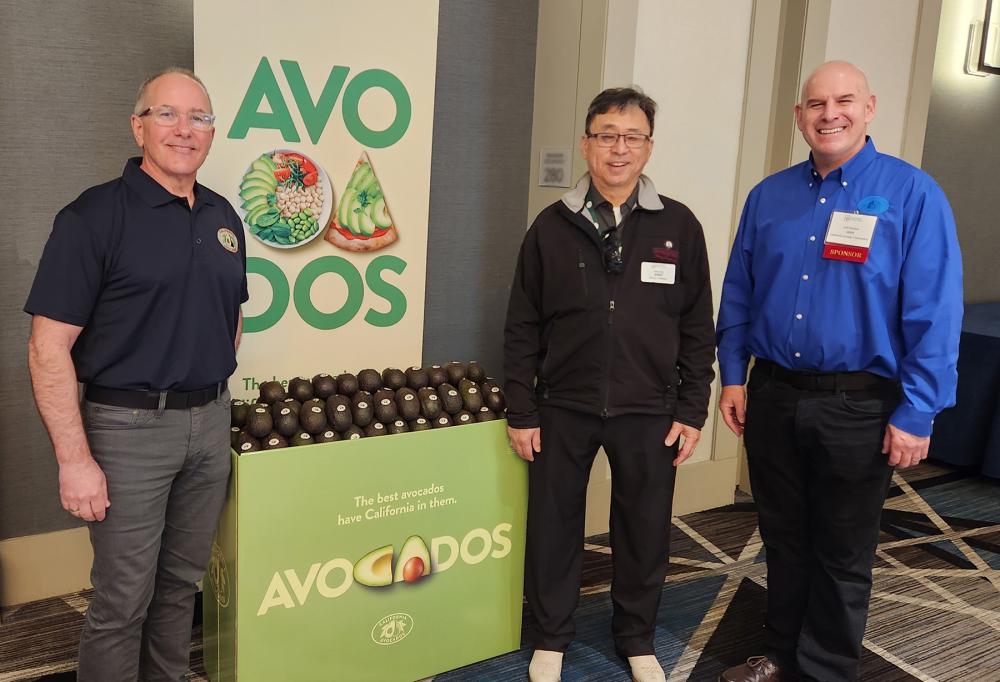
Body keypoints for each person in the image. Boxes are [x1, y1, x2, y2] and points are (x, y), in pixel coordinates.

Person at [716, 61, 962, 682]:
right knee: (782, 538)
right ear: (800, 116)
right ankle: (778, 654)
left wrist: (918, 410)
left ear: (870, 107)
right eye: (816, 104)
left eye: (844, 100)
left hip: (861, 405)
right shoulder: (768, 196)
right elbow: (739, 292)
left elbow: (935, 312)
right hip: (772, 395)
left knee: (843, 551)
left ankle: (825, 670)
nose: (830, 114)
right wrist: (734, 374)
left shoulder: (912, 194)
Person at [25, 68, 247, 681]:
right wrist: (75, 459)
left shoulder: (225, 216)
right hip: (126, 430)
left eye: (198, 117)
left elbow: (230, 318)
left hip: (209, 425)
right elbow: (47, 349)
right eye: (167, 114)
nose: (184, 130)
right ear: (138, 125)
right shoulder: (93, 217)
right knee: (123, 600)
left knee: (180, 587)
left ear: (211, 132)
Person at [503, 87, 715, 682]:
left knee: (644, 528)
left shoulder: (679, 225)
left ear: (649, 146)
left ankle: (637, 637)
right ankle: (550, 637)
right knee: (553, 525)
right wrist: (521, 409)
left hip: (651, 407)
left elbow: (700, 324)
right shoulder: (551, 226)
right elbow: (521, 324)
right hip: (562, 406)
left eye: (632, 137)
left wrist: (692, 407)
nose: (618, 149)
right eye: (606, 135)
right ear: (586, 143)